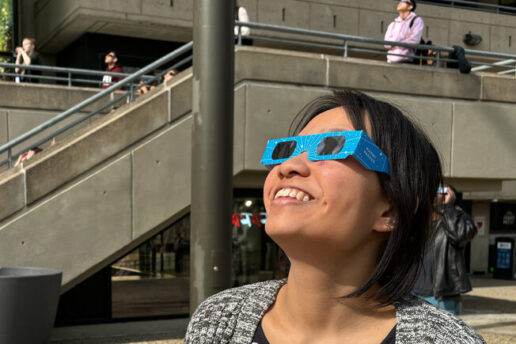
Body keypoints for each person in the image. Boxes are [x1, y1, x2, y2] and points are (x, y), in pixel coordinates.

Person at [185, 90, 485, 343]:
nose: (289, 165)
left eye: (333, 146)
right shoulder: (218, 320)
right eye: (288, 149)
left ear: (390, 209)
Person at [419, 184, 477, 315]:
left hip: (441, 297)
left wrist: (449, 207)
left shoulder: (460, 219)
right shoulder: (420, 220)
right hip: (413, 294)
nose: (435, 194)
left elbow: (459, 235)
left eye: (442, 191)